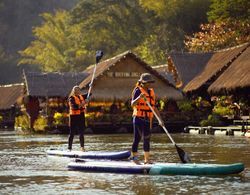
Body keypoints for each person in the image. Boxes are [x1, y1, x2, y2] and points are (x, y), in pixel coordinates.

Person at [130, 73, 163, 164]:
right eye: (147, 82)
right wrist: (139, 97)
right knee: (137, 138)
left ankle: (147, 159)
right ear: (142, 83)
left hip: (148, 118)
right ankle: (134, 158)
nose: (149, 84)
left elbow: (154, 107)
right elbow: (132, 104)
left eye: (150, 82)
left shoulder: (151, 92)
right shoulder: (137, 91)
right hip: (138, 118)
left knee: (147, 139)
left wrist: (160, 119)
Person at [68, 85, 88, 151]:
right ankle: (69, 148)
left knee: (81, 133)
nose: (78, 91)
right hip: (74, 117)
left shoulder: (81, 96)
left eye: (79, 90)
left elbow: (89, 94)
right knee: (72, 133)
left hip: (81, 116)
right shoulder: (71, 98)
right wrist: (83, 103)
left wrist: (90, 86)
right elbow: (75, 107)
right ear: (74, 91)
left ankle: (82, 147)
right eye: (76, 90)